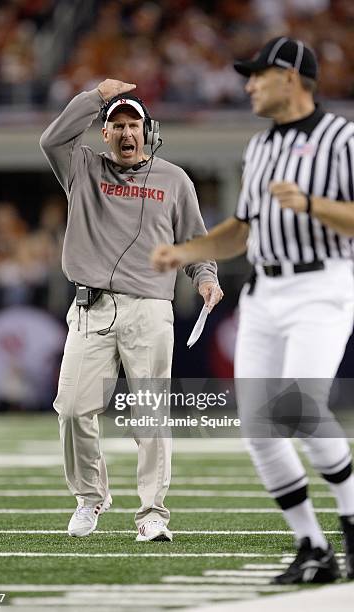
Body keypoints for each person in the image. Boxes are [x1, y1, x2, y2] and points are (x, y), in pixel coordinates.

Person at [152, 37, 354, 582]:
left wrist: (311, 204)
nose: (248, 85)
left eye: (258, 75)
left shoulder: (343, 138)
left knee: (298, 406)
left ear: (289, 77)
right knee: (260, 425)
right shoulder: (260, 147)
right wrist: (187, 251)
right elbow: (241, 229)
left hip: (322, 280)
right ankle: (312, 545)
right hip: (266, 291)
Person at [40, 79, 222, 542]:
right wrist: (95, 97)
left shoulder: (174, 179)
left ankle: (152, 514)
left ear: (148, 130)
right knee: (73, 409)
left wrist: (205, 276)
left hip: (149, 311)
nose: (126, 132)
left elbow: (194, 241)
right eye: (116, 124)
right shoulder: (82, 168)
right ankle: (89, 498)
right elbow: (51, 138)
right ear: (103, 133)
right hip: (90, 309)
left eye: (133, 123)